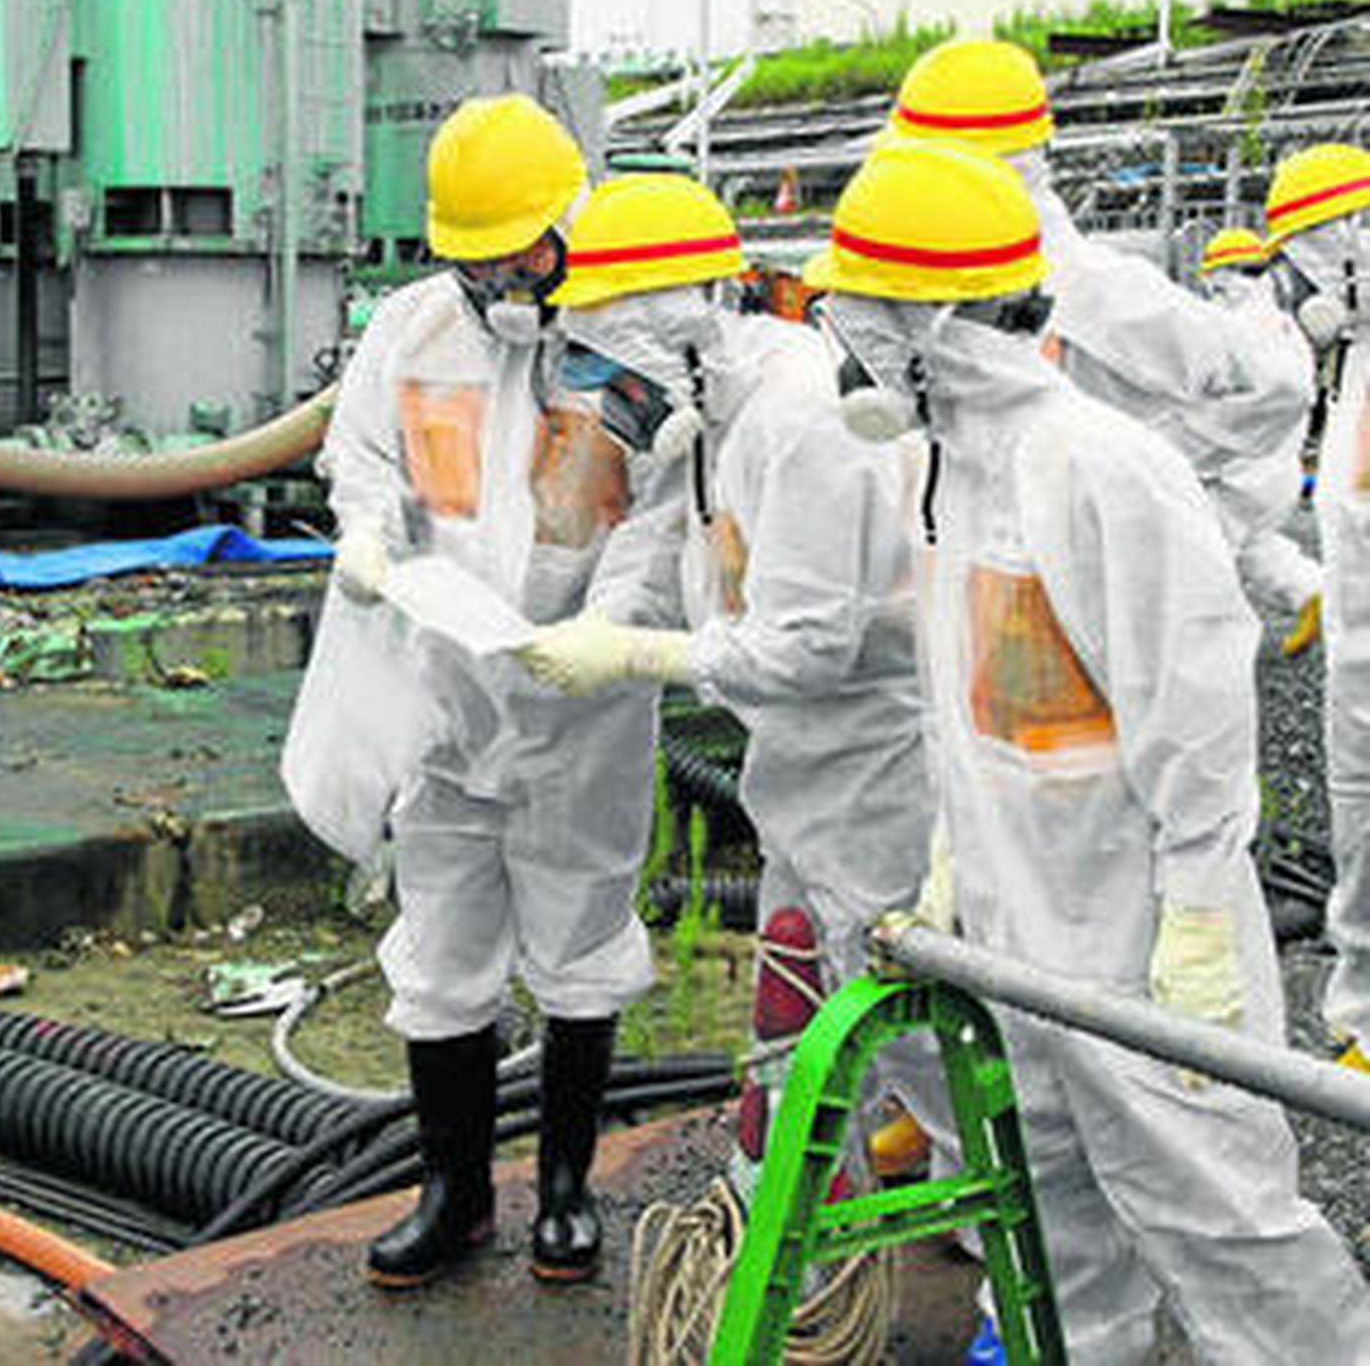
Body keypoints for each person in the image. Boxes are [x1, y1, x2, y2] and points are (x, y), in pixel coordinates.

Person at [800, 134, 1370, 1364]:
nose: (845, 346)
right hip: (1015, 939)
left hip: (1136, 943)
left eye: (866, 315)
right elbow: (972, 711)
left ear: (938, 324)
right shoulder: (944, 465)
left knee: (1222, 1224)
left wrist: (1202, 924)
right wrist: (953, 870)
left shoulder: (1101, 468)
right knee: (1045, 1217)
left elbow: (1198, 718)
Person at [313, 93, 682, 1288]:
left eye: (518, 252)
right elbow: (360, 453)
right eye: (477, 261)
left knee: (581, 943)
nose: (500, 279)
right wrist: (367, 536)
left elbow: (666, 509)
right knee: (443, 947)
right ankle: (453, 1191)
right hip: (446, 695)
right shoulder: (413, 333)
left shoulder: (632, 338)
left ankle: (564, 1192)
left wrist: (612, 627)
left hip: (581, 706)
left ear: (564, 222)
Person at [513, 171, 941, 1182]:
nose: (596, 385)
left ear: (668, 329)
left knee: (904, 998)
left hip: (876, 762)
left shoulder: (801, 422)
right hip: (801, 762)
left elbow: (807, 648)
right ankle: (796, 1194)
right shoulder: (709, 407)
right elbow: (663, 540)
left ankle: (1009, 1274)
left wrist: (638, 656)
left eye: (605, 353)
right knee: (805, 979)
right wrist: (602, 619)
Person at [887, 38, 1320, 648]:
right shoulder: (940, 290)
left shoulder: (1099, 293)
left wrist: (1144, 465)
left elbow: (1278, 387)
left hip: (1108, 584)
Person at [1264, 142, 1370, 1071]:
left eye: (1305, 255)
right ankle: (1364, 1020)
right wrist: (1321, 590)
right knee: (1358, 827)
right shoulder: (1355, 364)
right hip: (1357, 662)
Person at [1196, 226, 1322, 648]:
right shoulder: (1284, 324)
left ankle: (1208, 647)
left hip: (1240, 474)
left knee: (1200, 556)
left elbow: (1215, 410)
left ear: (1222, 277)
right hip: (1277, 473)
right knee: (1255, 545)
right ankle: (1311, 593)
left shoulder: (1235, 330)